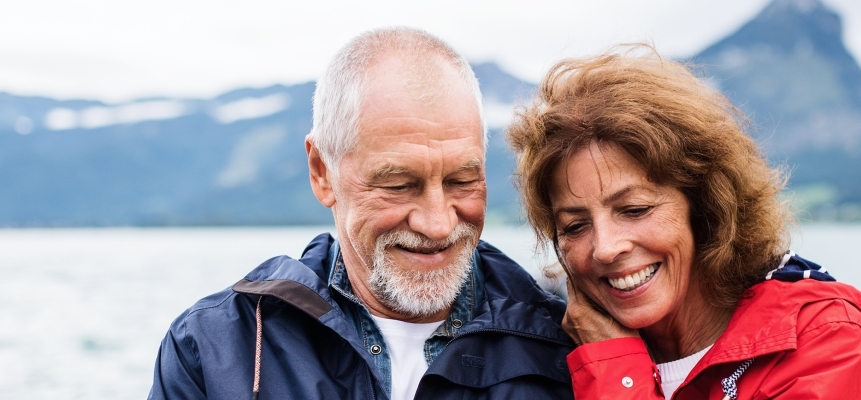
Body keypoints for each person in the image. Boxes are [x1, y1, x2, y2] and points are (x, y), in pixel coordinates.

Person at [148, 28, 575, 399]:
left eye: (461, 181)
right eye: (398, 185)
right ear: (322, 173)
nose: (438, 223)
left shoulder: (566, 343)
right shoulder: (213, 348)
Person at [505, 46, 861, 400]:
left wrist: (615, 370)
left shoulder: (824, 341)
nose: (605, 247)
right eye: (574, 227)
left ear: (704, 206)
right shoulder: (548, 353)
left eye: (635, 209)